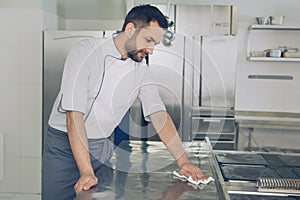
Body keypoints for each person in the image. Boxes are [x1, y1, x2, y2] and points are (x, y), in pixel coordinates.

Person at [42, 4, 207, 200]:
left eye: (155, 43)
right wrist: (86, 171)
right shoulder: (85, 52)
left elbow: (158, 114)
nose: (151, 50)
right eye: (148, 40)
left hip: (101, 147)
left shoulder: (141, 71)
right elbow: (73, 115)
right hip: (63, 146)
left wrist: (183, 161)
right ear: (130, 30)